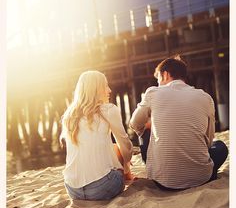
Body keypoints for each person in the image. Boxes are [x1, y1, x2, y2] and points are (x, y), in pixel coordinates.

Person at [130, 56, 228, 190]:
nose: (158, 83)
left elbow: (134, 124)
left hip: (163, 183)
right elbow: (209, 140)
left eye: (158, 78)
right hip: (201, 178)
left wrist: (149, 127)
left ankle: (159, 167)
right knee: (220, 146)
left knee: (144, 129)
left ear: (165, 74)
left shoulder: (153, 93)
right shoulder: (206, 97)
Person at [61, 70, 133, 200]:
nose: (109, 90)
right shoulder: (109, 110)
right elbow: (126, 145)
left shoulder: (69, 115)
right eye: (105, 86)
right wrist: (126, 166)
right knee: (118, 147)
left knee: (111, 148)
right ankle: (128, 174)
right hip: (101, 188)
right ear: (96, 89)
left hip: (73, 190)